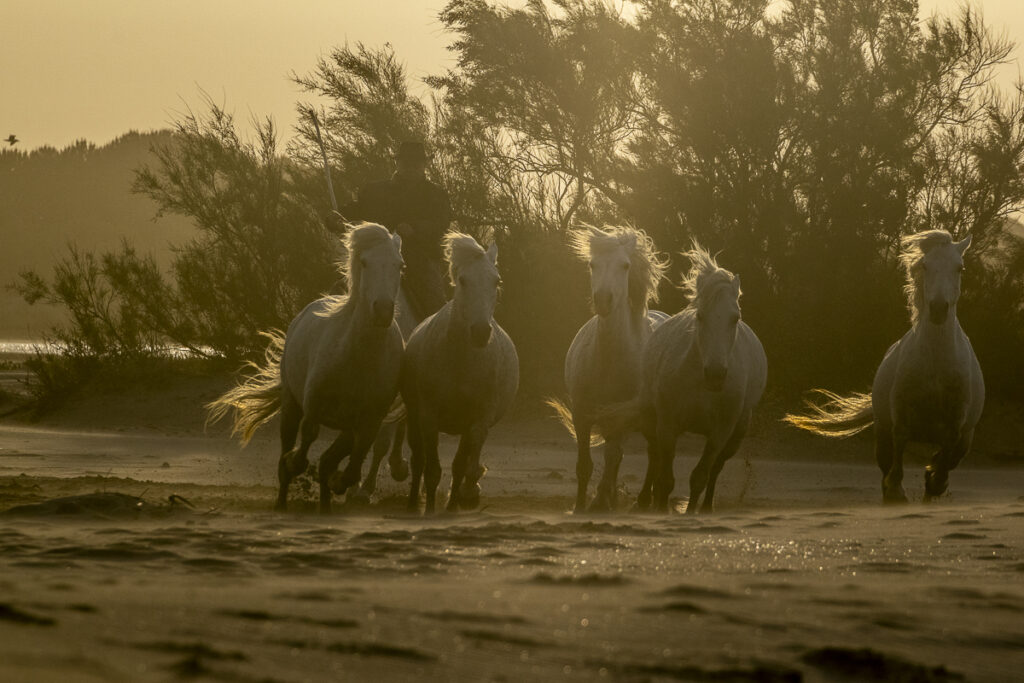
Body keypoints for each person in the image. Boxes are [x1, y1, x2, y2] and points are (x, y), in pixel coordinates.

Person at [349, 141, 451, 321]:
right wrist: (335, 217)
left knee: (436, 308)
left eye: (416, 163)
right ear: (397, 163)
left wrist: (415, 229)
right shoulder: (374, 190)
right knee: (340, 293)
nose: (411, 167)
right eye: (406, 162)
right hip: (376, 258)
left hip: (421, 260)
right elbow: (357, 209)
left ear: (425, 164)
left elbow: (441, 222)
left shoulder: (437, 194)